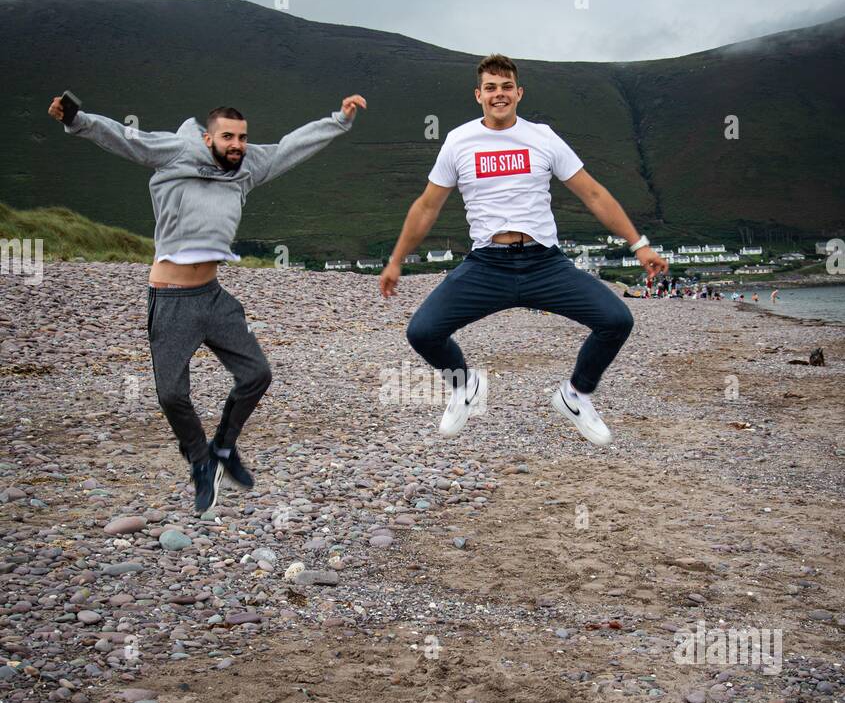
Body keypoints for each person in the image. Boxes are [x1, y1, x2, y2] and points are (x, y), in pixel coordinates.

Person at [49, 90, 366, 512]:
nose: (237, 144)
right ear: (208, 138)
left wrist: (339, 120)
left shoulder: (248, 165)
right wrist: (77, 119)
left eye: (243, 137)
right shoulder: (177, 152)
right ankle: (200, 460)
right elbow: (127, 139)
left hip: (213, 295)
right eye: (228, 137)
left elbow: (292, 146)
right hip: (172, 297)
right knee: (171, 395)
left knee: (256, 375)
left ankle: (223, 448)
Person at [378, 54, 667, 446]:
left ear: (519, 92)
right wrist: (396, 261)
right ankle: (465, 385)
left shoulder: (542, 137)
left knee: (617, 320)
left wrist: (640, 245)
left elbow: (593, 194)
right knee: (423, 332)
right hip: (486, 266)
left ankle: (576, 395)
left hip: (544, 263)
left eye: (507, 87)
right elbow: (427, 206)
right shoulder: (459, 141)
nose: (500, 94)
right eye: (491, 88)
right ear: (478, 95)